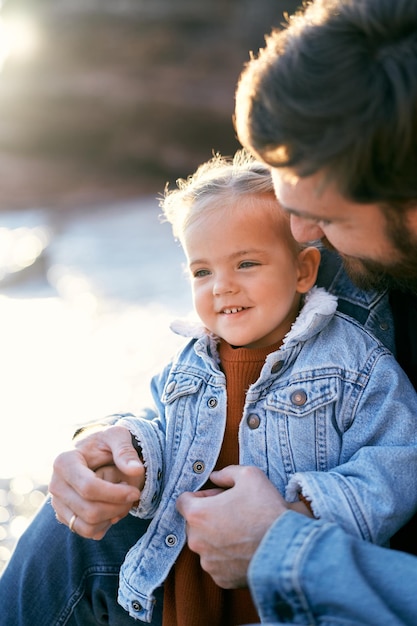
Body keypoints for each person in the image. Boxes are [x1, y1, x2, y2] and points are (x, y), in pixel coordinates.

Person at [2, 0, 417, 624]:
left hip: (357, 567)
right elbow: (195, 401)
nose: (306, 236)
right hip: (229, 557)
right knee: (81, 530)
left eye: (328, 219)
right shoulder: (336, 261)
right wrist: (111, 444)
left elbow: (390, 467)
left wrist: (286, 545)